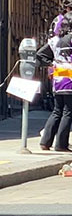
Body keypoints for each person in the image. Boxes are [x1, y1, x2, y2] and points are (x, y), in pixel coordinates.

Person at [36, 16, 72, 151]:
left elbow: (40, 54)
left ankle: (45, 142)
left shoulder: (55, 41)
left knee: (57, 111)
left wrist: (53, 64)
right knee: (68, 112)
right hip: (70, 80)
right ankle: (61, 144)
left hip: (58, 80)